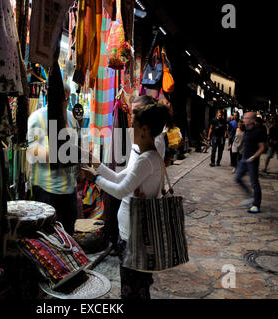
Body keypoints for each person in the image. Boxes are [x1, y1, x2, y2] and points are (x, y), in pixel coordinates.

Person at [81, 97, 170, 299]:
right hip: (133, 232)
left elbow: (121, 190)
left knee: (133, 289)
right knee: (136, 287)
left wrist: (95, 179)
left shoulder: (146, 159)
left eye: (133, 126)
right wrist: (97, 165)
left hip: (134, 236)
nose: (130, 131)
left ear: (145, 130)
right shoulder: (147, 156)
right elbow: (121, 178)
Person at [26, 83, 79, 235]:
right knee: (48, 235)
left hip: (69, 187)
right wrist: (62, 155)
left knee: (68, 232)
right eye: (63, 99)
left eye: (68, 99)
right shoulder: (37, 118)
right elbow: (33, 151)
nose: (66, 102)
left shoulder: (70, 116)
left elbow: (73, 145)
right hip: (46, 188)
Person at [235, 112, 267, 213]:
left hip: (252, 161)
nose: (244, 120)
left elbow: (262, 148)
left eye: (247, 118)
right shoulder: (247, 130)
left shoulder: (258, 131)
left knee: (254, 183)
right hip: (244, 159)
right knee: (237, 178)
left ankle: (256, 205)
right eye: (244, 118)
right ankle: (249, 196)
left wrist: (253, 157)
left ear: (253, 120)